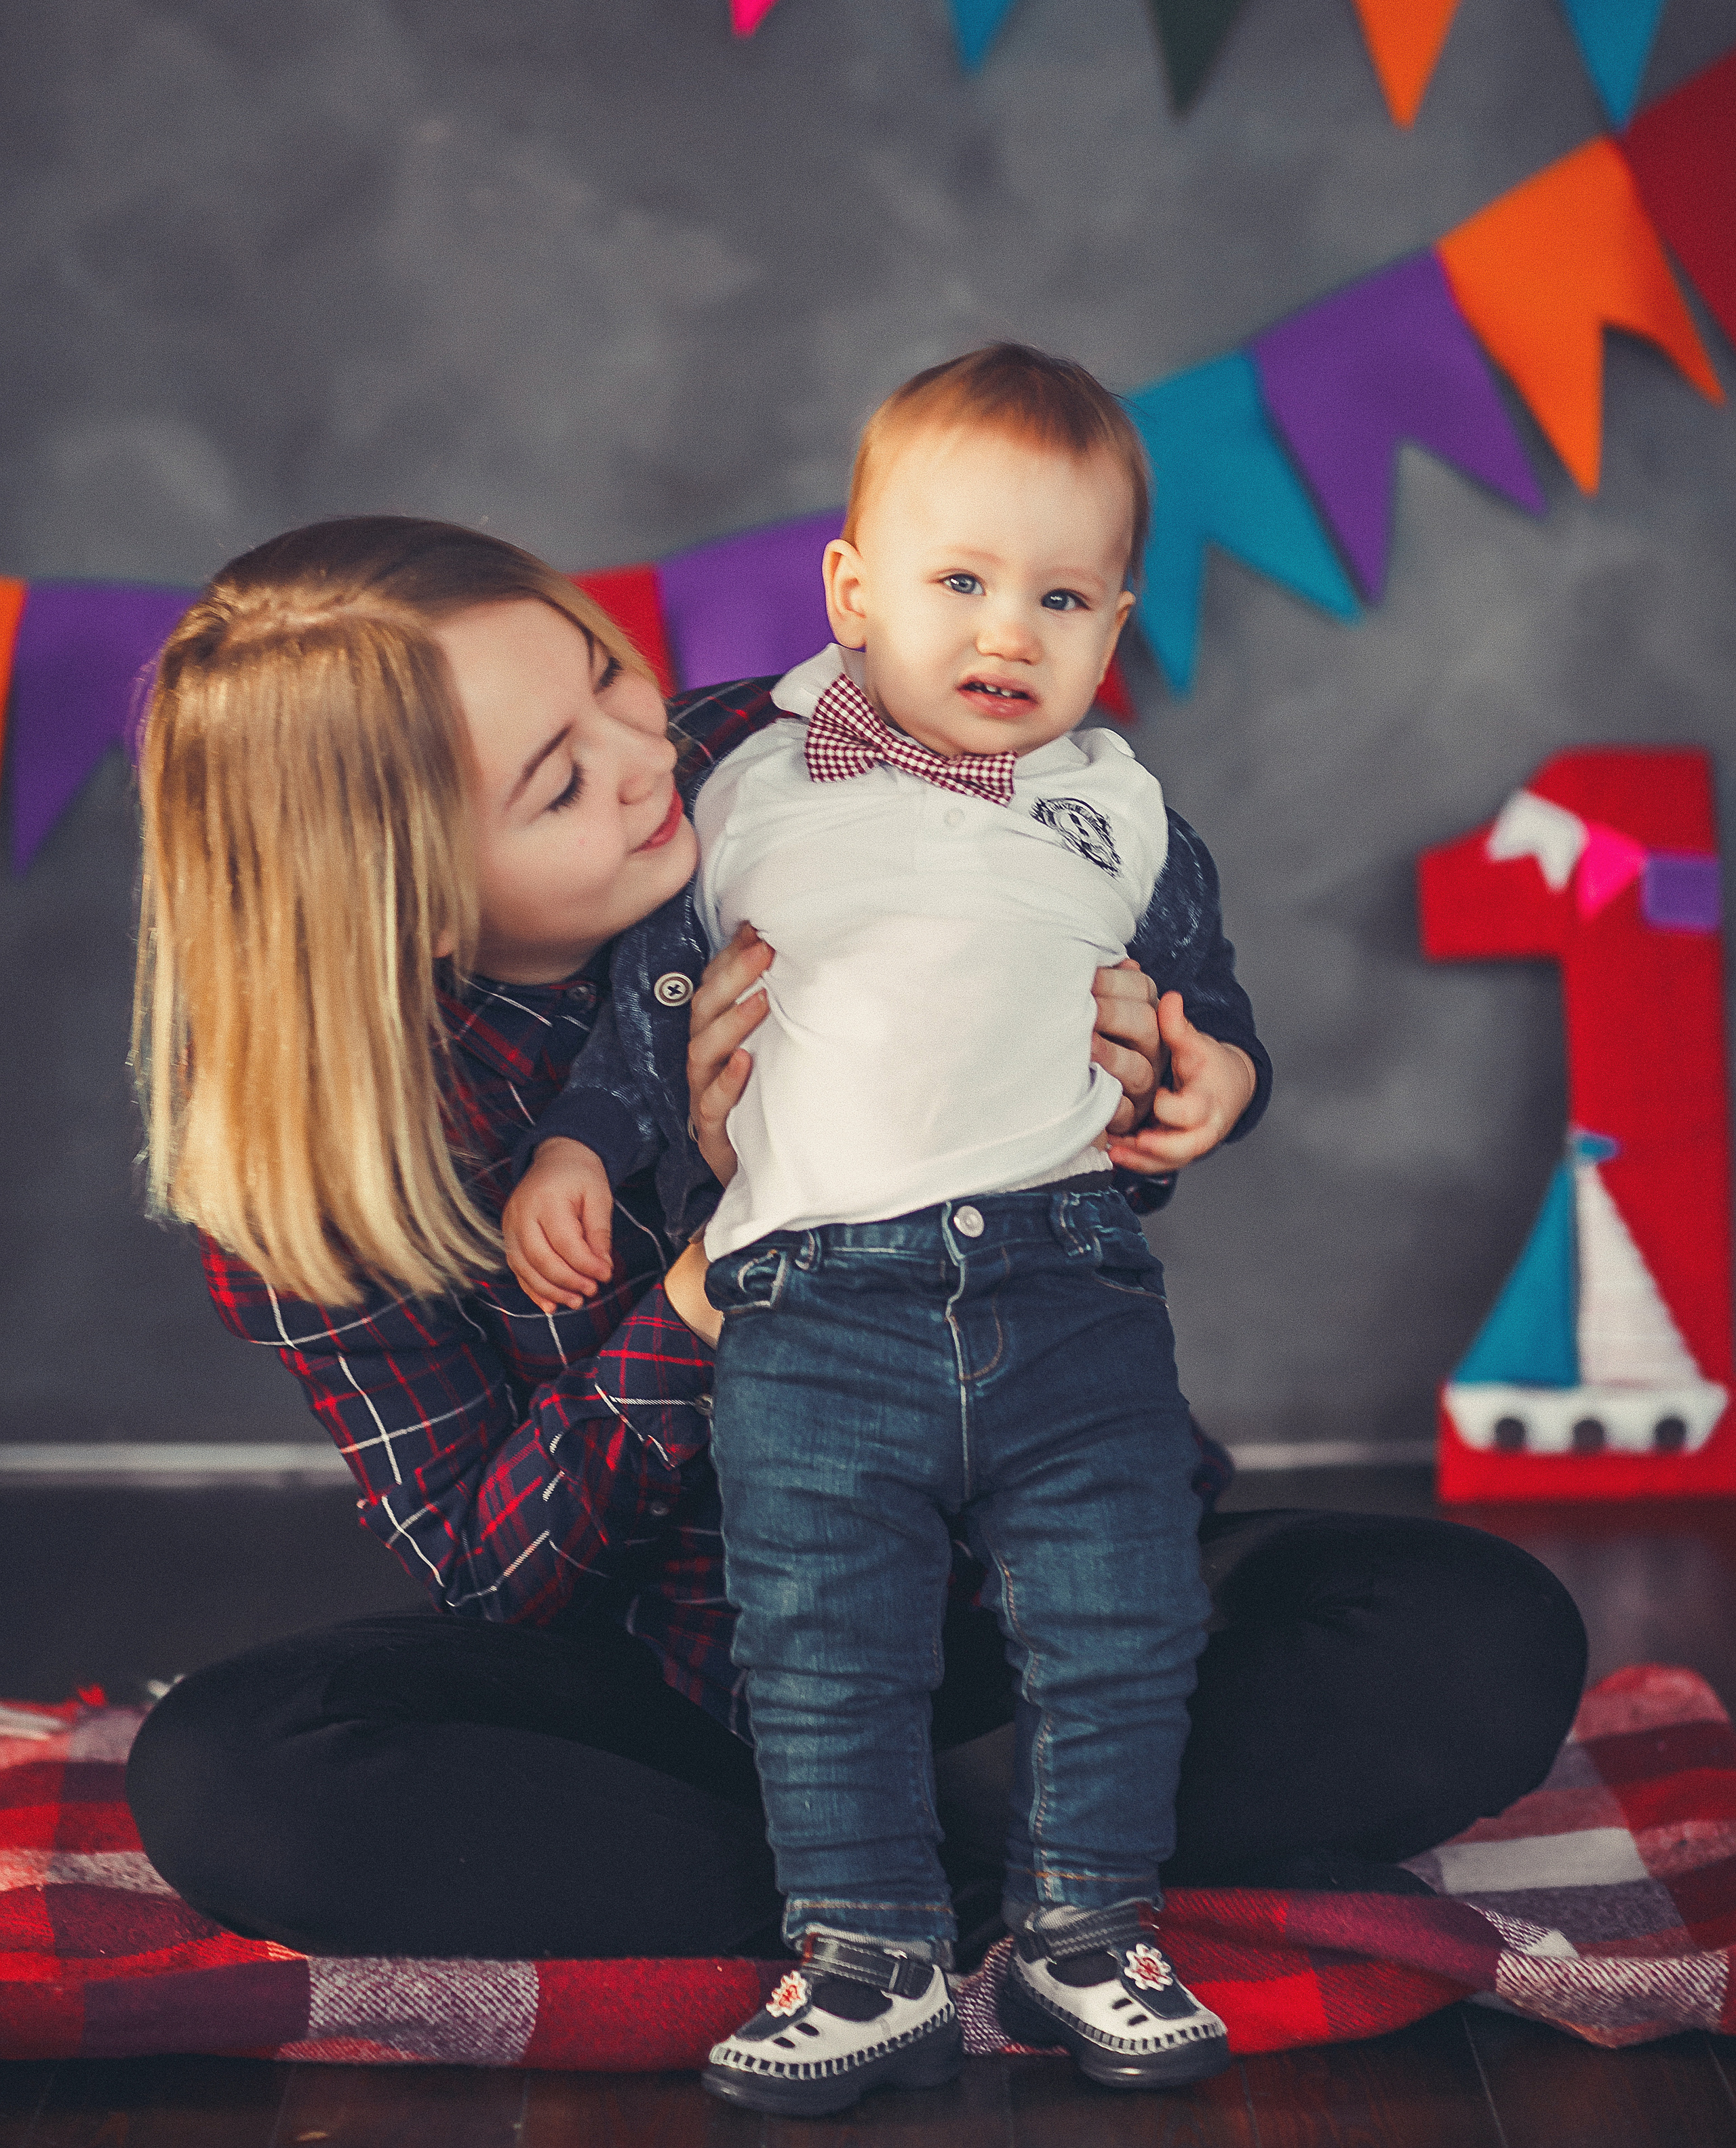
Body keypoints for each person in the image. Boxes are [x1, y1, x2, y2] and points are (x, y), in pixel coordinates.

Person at [123, 511, 1587, 2057]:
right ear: (403, 895)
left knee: (1473, 1630)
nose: (643, 754)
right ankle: (957, 1873)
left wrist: (1169, 1067)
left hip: (1021, 1609)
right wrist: (713, 1270)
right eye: (557, 780)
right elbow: (503, 1577)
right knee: (229, 1775)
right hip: (680, 1693)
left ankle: (907, 1873)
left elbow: (1105, 908)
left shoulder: (807, 760)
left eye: (611, 676)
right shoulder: (319, 1164)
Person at [506, 347, 1269, 2107]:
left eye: (1061, 595)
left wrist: (1218, 1078)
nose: (1010, 631)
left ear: (1114, 624)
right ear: (850, 591)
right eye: (961, 582)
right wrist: (577, 1152)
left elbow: (1205, 1007)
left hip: (1069, 1281)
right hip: (813, 1307)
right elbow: (657, 1003)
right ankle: (866, 1950)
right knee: (823, 1629)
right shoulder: (751, 791)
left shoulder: (1129, 810)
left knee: (1121, 1611)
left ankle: (1087, 1921)